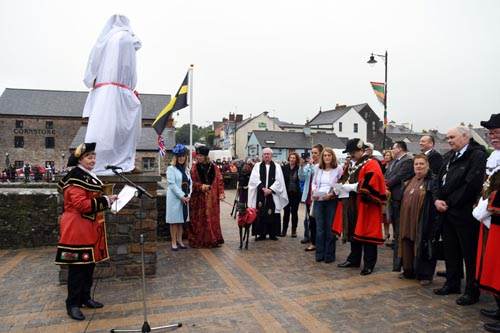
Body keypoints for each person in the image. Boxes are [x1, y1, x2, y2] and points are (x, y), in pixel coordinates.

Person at [55, 143, 118, 321]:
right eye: (89, 157)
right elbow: (81, 205)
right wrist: (105, 200)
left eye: (94, 156)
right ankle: (72, 304)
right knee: (77, 268)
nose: (93, 160)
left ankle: (85, 297)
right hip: (76, 227)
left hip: (88, 227)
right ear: (80, 159)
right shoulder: (75, 178)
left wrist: (108, 199)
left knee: (88, 264)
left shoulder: (87, 176)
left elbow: (92, 199)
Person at [433, 125, 487, 306]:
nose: (449, 141)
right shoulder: (449, 157)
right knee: (451, 251)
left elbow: (471, 184)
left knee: (469, 254)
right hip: (446, 213)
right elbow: (436, 180)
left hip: (464, 214)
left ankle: (472, 290)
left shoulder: (477, 155)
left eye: (452, 137)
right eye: (448, 138)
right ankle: (452, 282)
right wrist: (436, 200)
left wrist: (450, 202)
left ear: (465, 137)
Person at [82, 15, 142, 175]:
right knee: (117, 128)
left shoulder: (104, 41)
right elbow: (130, 62)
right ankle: (117, 163)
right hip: (117, 88)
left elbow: (92, 65)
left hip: (110, 89)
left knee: (108, 127)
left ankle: (119, 162)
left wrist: (91, 81)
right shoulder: (125, 38)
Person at [336, 138, 386, 276]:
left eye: (353, 152)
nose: (351, 155)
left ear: (361, 150)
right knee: (354, 232)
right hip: (352, 204)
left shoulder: (371, 163)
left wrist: (351, 187)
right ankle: (354, 259)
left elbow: (372, 182)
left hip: (366, 205)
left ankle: (369, 264)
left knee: (367, 234)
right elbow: (344, 178)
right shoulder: (352, 164)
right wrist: (339, 186)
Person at [473, 114, 500, 332]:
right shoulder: (494, 157)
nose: (493, 137)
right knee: (493, 266)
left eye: (497, 133)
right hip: (490, 218)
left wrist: (489, 206)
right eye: (491, 134)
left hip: (496, 216)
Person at [397, 154, 439, 285]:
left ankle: (425, 274)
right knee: (406, 240)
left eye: (421, 164)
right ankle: (408, 270)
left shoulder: (432, 180)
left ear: (428, 165)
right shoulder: (410, 179)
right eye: (416, 164)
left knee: (423, 244)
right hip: (406, 218)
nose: (418, 167)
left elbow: (435, 198)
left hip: (424, 219)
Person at [384, 141, 415, 270]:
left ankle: (400, 263)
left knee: (399, 232)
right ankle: (396, 264)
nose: (392, 150)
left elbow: (399, 176)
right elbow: (387, 175)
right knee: (395, 228)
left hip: (399, 198)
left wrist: (386, 184)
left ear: (400, 149)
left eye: (394, 148)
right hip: (392, 198)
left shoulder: (407, 161)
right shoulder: (393, 162)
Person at [188, 146, 225, 248]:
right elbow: (192, 183)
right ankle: (203, 240)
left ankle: (214, 238)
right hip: (199, 199)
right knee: (200, 220)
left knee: (212, 219)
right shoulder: (194, 168)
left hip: (212, 199)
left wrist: (221, 193)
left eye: (200, 155)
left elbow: (220, 181)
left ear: (205, 156)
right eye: (197, 155)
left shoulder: (214, 167)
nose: (198, 157)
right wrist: (202, 186)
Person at [248, 147, 288, 241]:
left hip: (272, 194)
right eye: (265, 154)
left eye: (268, 154)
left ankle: (272, 233)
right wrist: (263, 188)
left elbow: (279, 181)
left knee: (272, 212)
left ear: (272, 155)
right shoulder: (257, 166)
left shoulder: (277, 167)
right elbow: (254, 179)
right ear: (262, 155)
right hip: (260, 193)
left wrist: (270, 190)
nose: (266, 155)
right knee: (260, 211)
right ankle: (261, 233)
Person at [311, 148, 343, 263]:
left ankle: (329, 255)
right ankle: (319, 254)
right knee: (320, 228)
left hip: (331, 200)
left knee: (330, 228)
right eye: (325, 155)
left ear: (332, 156)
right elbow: (314, 183)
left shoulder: (338, 169)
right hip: (319, 199)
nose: (327, 157)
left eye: (329, 155)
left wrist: (332, 194)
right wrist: (314, 192)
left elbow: (341, 184)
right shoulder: (318, 169)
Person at [166, 144, 192, 251]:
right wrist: (182, 196)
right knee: (173, 221)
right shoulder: (170, 169)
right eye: (179, 156)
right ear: (176, 157)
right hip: (174, 199)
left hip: (185, 199)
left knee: (181, 221)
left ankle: (180, 240)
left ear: (185, 157)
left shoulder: (186, 170)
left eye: (183, 156)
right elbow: (172, 185)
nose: (181, 158)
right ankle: (173, 242)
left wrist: (188, 195)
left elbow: (191, 183)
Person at [299, 144, 324, 251]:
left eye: (315, 153)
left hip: (319, 196)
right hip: (309, 195)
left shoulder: (322, 165)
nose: (313, 155)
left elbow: (318, 175)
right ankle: (313, 242)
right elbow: (302, 177)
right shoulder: (310, 165)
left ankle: (320, 242)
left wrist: (312, 166)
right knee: (311, 220)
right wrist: (301, 166)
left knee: (319, 221)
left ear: (320, 153)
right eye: (312, 153)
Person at [281, 152, 302, 237]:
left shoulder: (299, 168)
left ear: (296, 159)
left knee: (294, 212)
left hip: (296, 194)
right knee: (286, 212)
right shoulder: (284, 168)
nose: (292, 159)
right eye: (291, 157)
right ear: (288, 158)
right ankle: (284, 229)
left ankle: (294, 230)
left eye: (294, 158)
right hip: (286, 193)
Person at [381, 150, 395, 244]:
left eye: (388, 155)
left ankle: (394, 235)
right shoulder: (382, 166)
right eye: (385, 155)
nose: (387, 157)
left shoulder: (394, 166)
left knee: (391, 215)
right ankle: (386, 234)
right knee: (384, 215)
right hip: (383, 191)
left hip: (391, 192)